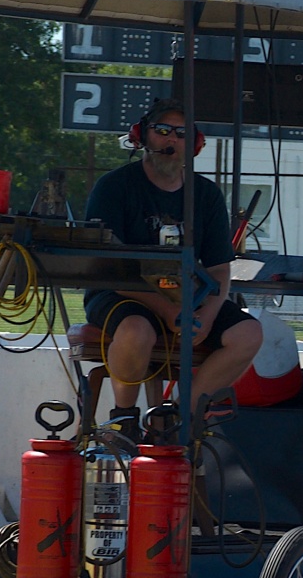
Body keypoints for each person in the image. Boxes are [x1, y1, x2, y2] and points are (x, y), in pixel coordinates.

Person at [81, 99, 262, 441]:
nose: (171, 140)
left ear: (192, 144)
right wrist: (167, 309)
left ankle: (175, 418)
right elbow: (105, 266)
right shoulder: (114, 187)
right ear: (142, 136)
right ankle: (124, 419)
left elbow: (220, 269)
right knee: (137, 330)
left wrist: (206, 315)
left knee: (249, 334)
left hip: (188, 296)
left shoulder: (206, 194)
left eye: (181, 134)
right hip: (121, 289)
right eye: (162, 131)